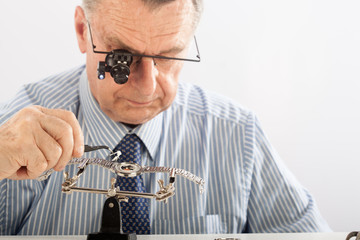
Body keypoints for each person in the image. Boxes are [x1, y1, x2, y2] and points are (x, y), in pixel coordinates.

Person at [0, 0, 331, 235]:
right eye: (121, 57)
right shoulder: (15, 130)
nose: (146, 88)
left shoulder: (237, 134)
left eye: (168, 57)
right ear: (82, 31)